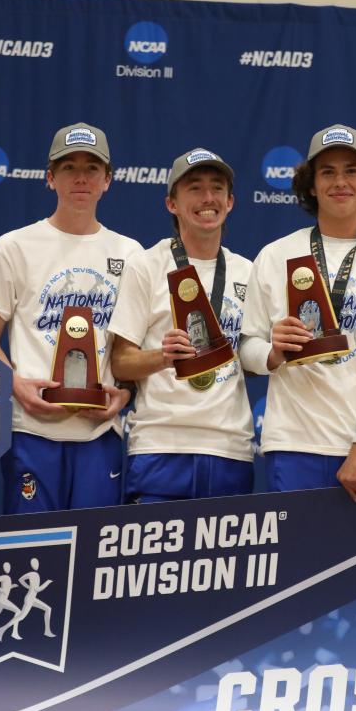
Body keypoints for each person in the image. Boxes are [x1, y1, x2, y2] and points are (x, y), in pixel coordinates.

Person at [240, 124, 356, 500]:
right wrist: (273, 354)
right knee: (299, 560)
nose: (340, 181)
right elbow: (247, 347)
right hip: (296, 445)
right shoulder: (276, 255)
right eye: (327, 172)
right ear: (311, 185)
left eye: (351, 171)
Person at [0, 123, 140, 513]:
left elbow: (133, 349)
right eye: (68, 167)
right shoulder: (14, 246)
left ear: (108, 180)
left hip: (100, 431)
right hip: (32, 430)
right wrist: (16, 385)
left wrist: (127, 393)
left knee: (93, 560)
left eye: (92, 168)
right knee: (29, 556)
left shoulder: (131, 254)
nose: (80, 177)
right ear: (50, 178)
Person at [109, 148, 254, 501]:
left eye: (217, 188)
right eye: (194, 188)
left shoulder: (248, 272)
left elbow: (253, 357)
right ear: (171, 203)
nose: (208, 198)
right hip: (160, 444)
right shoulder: (145, 265)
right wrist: (163, 356)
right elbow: (119, 361)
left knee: (227, 557)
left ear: (230, 202)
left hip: (229, 448)